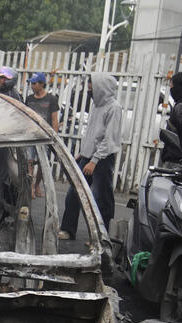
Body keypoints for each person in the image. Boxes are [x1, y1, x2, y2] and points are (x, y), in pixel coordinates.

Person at [59, 73, 122, 240]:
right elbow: (91, 133)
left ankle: (102, 237)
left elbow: (109, 139)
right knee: (74, 193)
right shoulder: (96, 105)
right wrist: (83, 152)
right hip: (88, 156)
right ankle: (68, 229)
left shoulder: (113, 108)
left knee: (102, 199)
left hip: (102, 158)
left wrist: (94, 160)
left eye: (91, 86)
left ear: (101, 87)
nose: (88, 90)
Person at [24, 71, 60, 198]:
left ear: (41, 84)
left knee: (42, 163)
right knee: (29, 161)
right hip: (30, 135)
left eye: (34, 83)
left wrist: (54, 137)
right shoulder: (29, 99)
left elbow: (54, 119)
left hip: (44, 136)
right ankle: (30, 187)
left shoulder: (51, 99)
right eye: (31, 83)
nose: (32, 86)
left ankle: (36, 184)